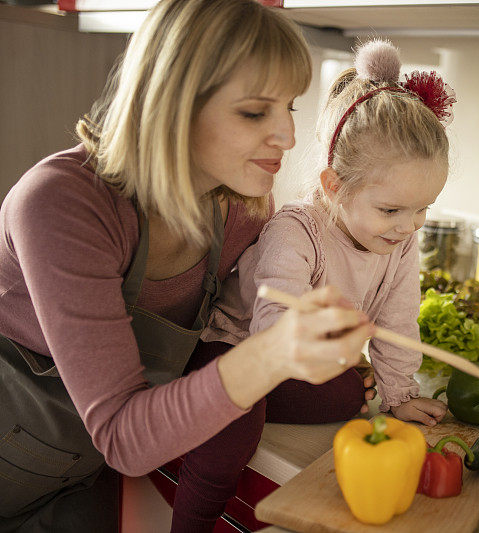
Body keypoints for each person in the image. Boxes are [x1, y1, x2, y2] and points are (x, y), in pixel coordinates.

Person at [0, 1, 374, 532]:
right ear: (171, 104)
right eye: (253, 112)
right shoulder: (62, 204)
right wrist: (272, 353)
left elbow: (211, 357)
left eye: (289, 107)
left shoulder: (243, 207)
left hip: (85, 476)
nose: (287, 137)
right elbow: (125, 436)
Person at [203, 39, 456, 425]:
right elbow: (275, 328)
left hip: (304, 356)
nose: (408, 226)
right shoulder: (296, 231)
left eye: (423, 209)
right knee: (336, 396)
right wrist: (338, 354)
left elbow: (398, 323)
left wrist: (400, 394)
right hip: (238, 346)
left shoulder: (399, 240)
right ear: (335, 185)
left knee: (347, 393)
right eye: (390, 210)